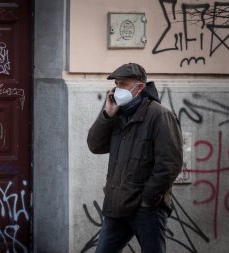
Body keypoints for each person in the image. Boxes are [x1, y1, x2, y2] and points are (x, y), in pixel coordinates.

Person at [87, 63, 183, 253]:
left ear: (139, 87)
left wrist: (149, 199)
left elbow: (170, 163)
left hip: (146, 208)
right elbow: (95, 145)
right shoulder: (117, 113)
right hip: (117, 203)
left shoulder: (160, 115)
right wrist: (107, 115)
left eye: (123, 84)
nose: (117, 89)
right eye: (116, 84)